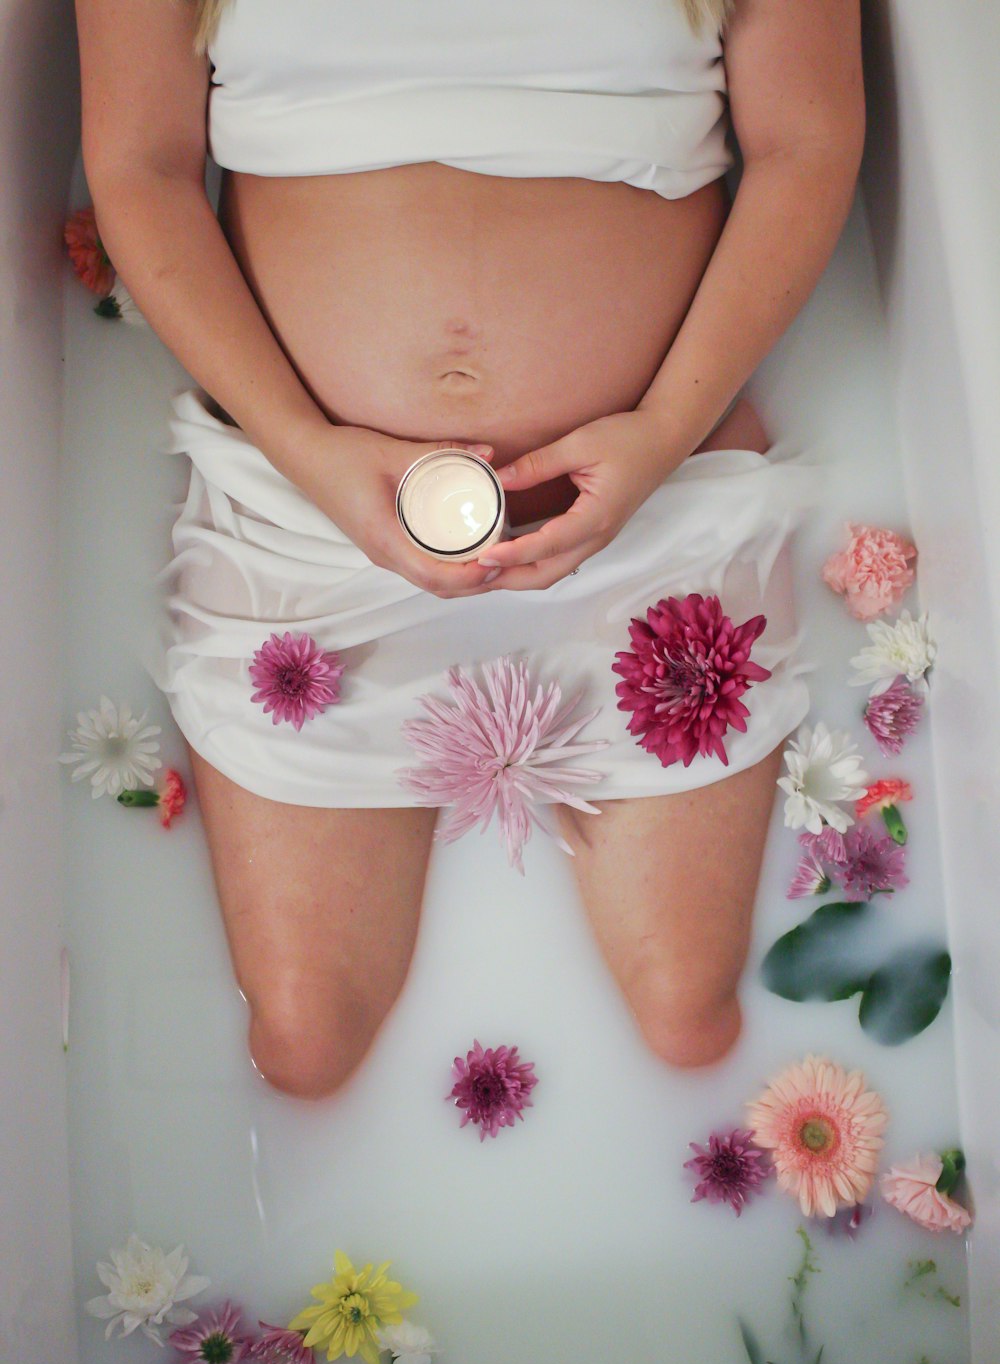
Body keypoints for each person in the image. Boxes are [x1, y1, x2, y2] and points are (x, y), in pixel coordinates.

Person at [74, 0, 864, 1099]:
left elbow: (806, 144)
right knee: (305, 1047)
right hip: (307, 503)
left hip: (655, 486)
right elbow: (140, 166)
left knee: (691, 1017)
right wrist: (307, 450)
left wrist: (657, 435)